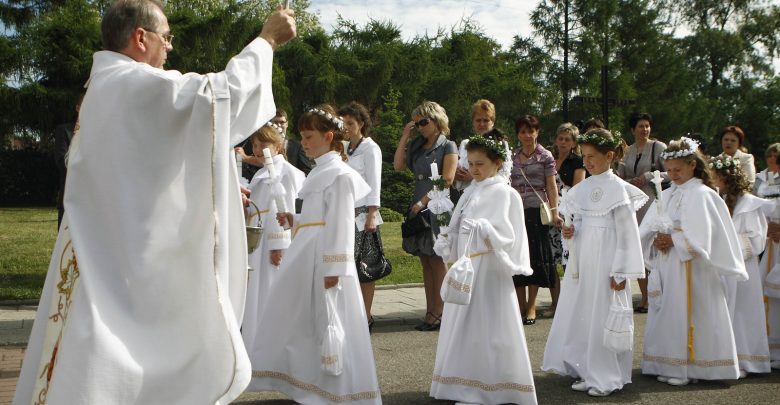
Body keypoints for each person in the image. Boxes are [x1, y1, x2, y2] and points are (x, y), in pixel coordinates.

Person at [11, 2, 295, 404]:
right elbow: (220, 96)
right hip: (119, 264)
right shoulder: (129, 82)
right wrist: (266, 41)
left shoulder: (106, 87)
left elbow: (151, 168)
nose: (170, 48)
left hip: (102, 250)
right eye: (167, 37)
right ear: (140, 38)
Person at [248, 105, 381, 404]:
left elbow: (341, 224)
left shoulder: (340, 175)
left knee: (330, 320)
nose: (304, 142)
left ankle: (340, 390)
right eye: (302, 137)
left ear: (328, 136)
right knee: (306, 322)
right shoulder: (320, 171)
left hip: (326, 261)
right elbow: (316, 218)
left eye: (309, 137)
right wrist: (294, 221)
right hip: (307, 256)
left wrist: (335, 267)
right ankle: (312, 386)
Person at [429, 135, 538, 405]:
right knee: (465, 325)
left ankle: (487, 388)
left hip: (488, 268)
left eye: (481, 164)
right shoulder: (471, 190)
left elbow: (509, 235)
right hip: (468, 264)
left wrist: (483, 229)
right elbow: (458, 224)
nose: (474, 169)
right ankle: (463, 383)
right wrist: (447, 240)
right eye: (472, 163)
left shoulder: (505, 193)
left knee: (486, 325)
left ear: (497, 163)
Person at [542, 128, 646, 397]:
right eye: (584, 156)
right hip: (585, 261)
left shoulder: (619, 191)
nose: (586, 162)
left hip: (608, 261)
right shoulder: (582, 189)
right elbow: (576, 223)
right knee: (585, 313)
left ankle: (607, 375)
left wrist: (622, 271)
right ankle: (588, 368)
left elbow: (627, 234)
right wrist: (569, 232)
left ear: (609, 155)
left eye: (592, 157)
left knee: (603, 313)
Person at [639, 137, 747, 386]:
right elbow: (650, 225)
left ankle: (692, 368)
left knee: (691, 312)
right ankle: (669, 363)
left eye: (678, 169)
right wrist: (656, 238)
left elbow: (703, 235)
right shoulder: (667, 194)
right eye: (669, 169)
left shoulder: (702, 194)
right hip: (669, 264)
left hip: (693, 267)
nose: (672, 174)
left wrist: (674, 239)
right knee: (670, 311)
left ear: (692, 165)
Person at [241, 123, 305, 368]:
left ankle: (272, 351)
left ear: (278, 146)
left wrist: (280, 243)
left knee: (270, 291)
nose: (258, 150)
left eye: (263, 145)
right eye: (255, 145)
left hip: (272, 240)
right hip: (258, 239)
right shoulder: (261, 173)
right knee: (256, 293)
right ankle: (255, 347)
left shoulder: (285, 172)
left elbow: (285, 205)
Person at [393, 101, 458, 331]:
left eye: (423, 122)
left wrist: (424, 202)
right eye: (417, 122)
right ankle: (430, 311)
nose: (420, 126)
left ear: (436, 120)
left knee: (438, 260)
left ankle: (442, 312)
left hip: (437, 206)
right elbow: (398, 165)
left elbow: (447, 179)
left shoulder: (448, 146)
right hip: (418, 206)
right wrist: (404, 137)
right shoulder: (418, 146)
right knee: (425, 261)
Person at [709, 154, 771, 377]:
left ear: (728, 177)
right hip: (722, 267)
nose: (714, 182)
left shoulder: (749, 203)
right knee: (724, 312)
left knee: (743, 313)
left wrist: (727, 244)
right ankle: (725, 357)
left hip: (744, 268)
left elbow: (756, 239)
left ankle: (746, 359)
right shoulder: (718, 199)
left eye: (716, 177)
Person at [338, 101, 386, 331]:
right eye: (343, 123)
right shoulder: (345, 148)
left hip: (363, 211)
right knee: (350, 263)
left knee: (366, 264)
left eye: (350, 123)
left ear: (361, 124)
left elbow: (374, 181)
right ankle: (353, 312)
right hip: (347, 210)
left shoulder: (370, 148)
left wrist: (372, 214)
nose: (346, 127)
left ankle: (366, 315)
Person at [510, 114, 561, 325]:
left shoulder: (546, 156)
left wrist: (555, 211)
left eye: (530, 131)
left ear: (537, 132)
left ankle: (531, 306)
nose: (527, 135)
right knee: (517, 259)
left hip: (537, 212)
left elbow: (551, 185)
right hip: (515, 213)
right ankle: (519, 305)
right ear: (518, 134)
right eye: (522, 131)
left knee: (535, 259)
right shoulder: (511, 157)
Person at [616, 112, 663, 314]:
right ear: (633, 129)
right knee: (638, 248)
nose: (645, 129)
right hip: (633, 205)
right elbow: (619, 175)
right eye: (641, 126)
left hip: (653, 203)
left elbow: (671, 171)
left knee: (653, 248)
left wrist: (648, 176)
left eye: (647, 126)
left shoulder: (658, 147)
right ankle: (644, 296)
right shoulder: (628, 151)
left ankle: (657, 293)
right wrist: (627, 181)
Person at [544, 122, 586, 317]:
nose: (562, 142)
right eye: (560, 138)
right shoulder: (549, 159)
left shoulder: (578, 161)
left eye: (567, 139)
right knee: (553, 259)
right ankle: (556, 302)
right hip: (551, 212)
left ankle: (572, 302)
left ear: (574, 142)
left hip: (569, 214)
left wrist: (564, 209)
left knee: (569, 258)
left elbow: (578, 187)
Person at [756, 144, 780, 369]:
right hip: (770, 241)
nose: (772, 158)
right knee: (768, 292)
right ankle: (771, 347)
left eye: (776, 155)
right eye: (769, 154)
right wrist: (768, 228)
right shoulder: (763, 179)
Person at [453, 99, 512, 192]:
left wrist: (473, 177)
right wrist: (456, 175)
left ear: (492, 122)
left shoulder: (501, 144)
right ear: (473, 122)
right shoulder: (465, 144)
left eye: (486, 120)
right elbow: (459, 182)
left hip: (491, 194)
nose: (482, 124)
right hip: (469, 196)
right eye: (478, 120)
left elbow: (504, 176)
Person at [236, 108, 312, 178]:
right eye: (275, 122)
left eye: (282, 122)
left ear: (287, 124)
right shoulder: (255, 143)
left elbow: (307, 172)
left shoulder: (297, 146)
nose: (279, 125)